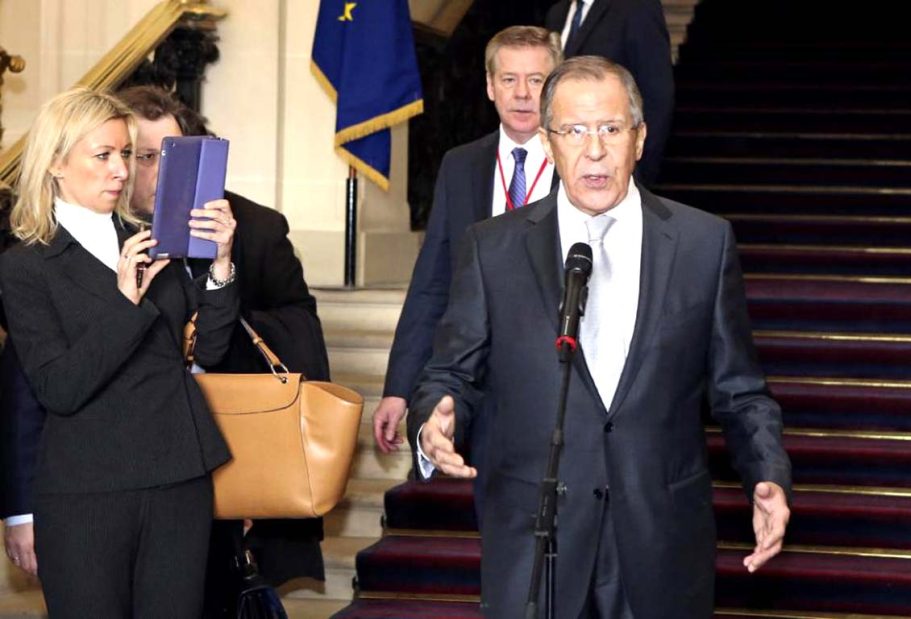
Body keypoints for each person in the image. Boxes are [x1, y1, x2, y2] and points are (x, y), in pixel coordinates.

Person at [409, 56, 791, 618]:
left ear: (638, 138)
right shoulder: (492, 248)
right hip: (536, 538)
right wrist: (434, 421)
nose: (593, 150)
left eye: (610, 129)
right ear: (546, 141)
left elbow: (740, 389)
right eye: (573, 131)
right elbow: (451, 373)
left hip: (660, 537)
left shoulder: (702, 244)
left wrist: (768, 474)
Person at [0, 85, 330, 611]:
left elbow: (213, 347)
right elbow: (60, 388)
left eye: (126, 154)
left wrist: (222, 265)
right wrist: (126, 302)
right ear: (56, 163)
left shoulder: (152, 236)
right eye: (104, 155)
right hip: (86, 491)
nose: (122, 170)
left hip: (179, 476)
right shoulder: (26, 266)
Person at [372, 26, 562, 459]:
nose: (522, 94)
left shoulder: (582, 166)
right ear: (490, 87)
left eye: (536, 80)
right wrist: (399, 387)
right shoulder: (460, 166)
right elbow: (432, 282)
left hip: (555, 378)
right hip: (474, 380)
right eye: (509, 79)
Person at [546, 0, 675, 184]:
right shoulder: (558, 13)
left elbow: (658, 98)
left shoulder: (637, 7)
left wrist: (638, 174)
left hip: (617, 172)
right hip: (566, 170)